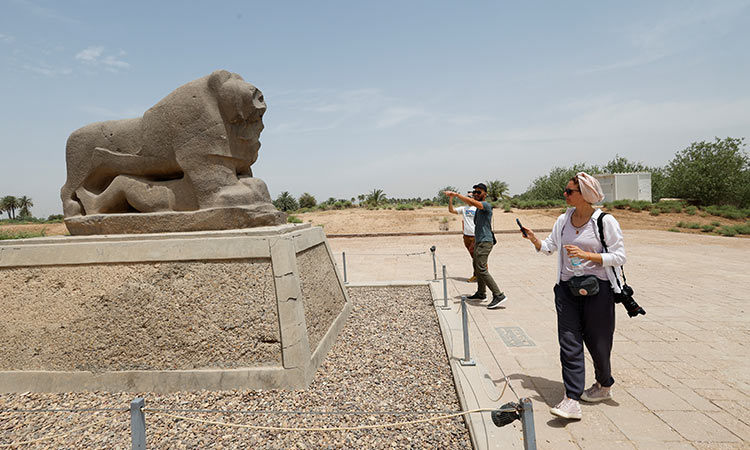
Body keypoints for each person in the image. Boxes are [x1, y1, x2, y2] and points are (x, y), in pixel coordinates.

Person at [518, 172, 626, 420]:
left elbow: (620, 256)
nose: (564, 195)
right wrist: (534, 239)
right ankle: (572, 398)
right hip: (567, 291)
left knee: (599, 342)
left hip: (598, 291)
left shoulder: (604, 221)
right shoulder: (563, 220)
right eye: (565, 191)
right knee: (569, 342)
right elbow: (549, 247)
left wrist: (589, 256)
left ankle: (604, 384)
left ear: (585, 195)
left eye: (569, 191)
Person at [444, 184, 508, 309]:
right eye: (474, 193)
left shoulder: (486, 205)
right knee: (477, 267)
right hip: (479, 241)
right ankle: (481, 293)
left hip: (485, 241)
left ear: (485, 194)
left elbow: (472, 202)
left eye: (479, 192)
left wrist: (456, 195)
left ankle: (498, 295)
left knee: (482, 268)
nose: (476, 194)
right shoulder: (477, 208)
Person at [448, 191, 479, 282]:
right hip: (466, 237)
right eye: (467, 196)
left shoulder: (478, 208)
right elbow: (451, 211)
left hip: (476, 236)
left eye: (471, 196)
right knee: (474, 257)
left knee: (479, 258)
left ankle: (483, 277)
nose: (468, 198)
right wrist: (450, 199)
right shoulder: (464, 209)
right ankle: (476, 275)